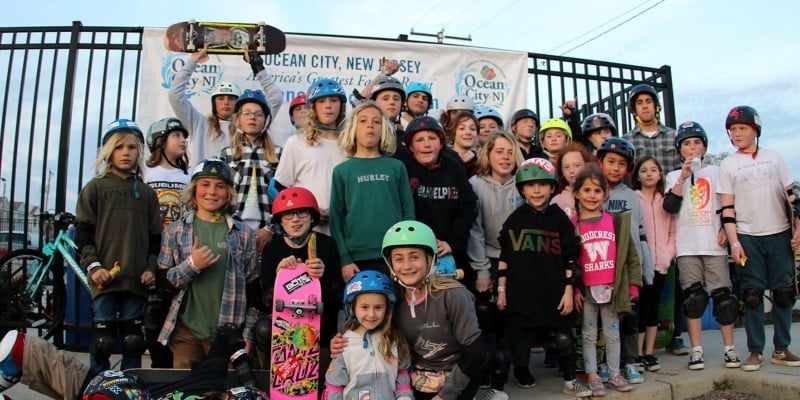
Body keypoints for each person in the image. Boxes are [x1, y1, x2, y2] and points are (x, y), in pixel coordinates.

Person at [495, 157, 592, 398]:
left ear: (552, 187)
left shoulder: (560, 219)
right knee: (515, 339)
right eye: (530, 185)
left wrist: (569, 291)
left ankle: (570, 380)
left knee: (563, 337)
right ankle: (513, 376)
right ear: (522, 189)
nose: (536, 190)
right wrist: (501, 291)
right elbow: (504, 257)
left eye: (542, 185)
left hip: (554, 292)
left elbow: (570, 259)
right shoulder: (515, 220)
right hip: (520, 293)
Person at [74, 119, 162, 372]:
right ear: (108, 152)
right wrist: (94, 266)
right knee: (103, 340)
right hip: (105, 278)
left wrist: (150, 267)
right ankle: (97, 389)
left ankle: (129, 387)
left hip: (135, 279)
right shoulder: (95, 188)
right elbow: (83, 234)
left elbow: (155, 237)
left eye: (132, 147)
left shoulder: (146, 193)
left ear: (139, 152)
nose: (126, 153)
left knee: (133, 341)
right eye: (119, 147)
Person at [156, 157, 260, 369]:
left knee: (226, 391)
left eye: (219, 186)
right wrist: (192, 264)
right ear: (194, 190)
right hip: (187, 332)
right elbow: (164, 282)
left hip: (229, 334)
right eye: (205, 185)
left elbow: (254, 292)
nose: (212, 191)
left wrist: (248, 334)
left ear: (229, 193)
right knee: (188, 391)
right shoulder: (175, 231)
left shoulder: (245, 235)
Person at [718, 106, 800, 371]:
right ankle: (755, 351)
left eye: (742, 128)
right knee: (752, 294)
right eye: (733, 130)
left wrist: (798, 229)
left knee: (784, 293)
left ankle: (782, 348)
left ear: (755, 129)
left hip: (779, 233)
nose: (737, 133)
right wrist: (735, 243)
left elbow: (793, 200)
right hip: (747, 235)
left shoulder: (773, 158)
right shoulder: (728, 165)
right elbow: (727, 210)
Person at [663, 121, 742, 371]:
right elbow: (670, 207)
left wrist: (725, 231)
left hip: (714, 244)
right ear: (680, 149)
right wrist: (683, 177)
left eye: (697, 142)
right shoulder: (674, 176)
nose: (692, 147)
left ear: (705, 146)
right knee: (693, 300)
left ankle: (730, 349)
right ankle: (696, 350)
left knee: (724, 299)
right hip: (687, 246)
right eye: (687, 143)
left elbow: (729, 204)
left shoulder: (718, 172)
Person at [0, 327, 266, 400]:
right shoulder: (208, 382)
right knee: (26, 352)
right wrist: (242, 361)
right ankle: (20, 355)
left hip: (101, 389)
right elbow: (225, 336)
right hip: (111, 389)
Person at [623, 84, 687, 357]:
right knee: (645, 289)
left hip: (669, 207)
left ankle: (676, 335)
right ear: (634, 109)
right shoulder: (628, 138)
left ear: (656, 106)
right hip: (642, 212)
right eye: (640, 103)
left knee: (678, 283)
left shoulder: (673, 136)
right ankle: (639, 347)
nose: (645, 106)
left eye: (649, 101)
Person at [258, 186, 343, 387]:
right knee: (262, 329)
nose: (295, 219)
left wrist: (322, 278)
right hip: (285, 332)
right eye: (287, 215)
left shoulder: (326, 245)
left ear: (312, 217)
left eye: (301, 213)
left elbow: (338, 297)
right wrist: (280, 278)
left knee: (316, 384)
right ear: (279, 220)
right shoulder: (272, 249)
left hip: (320, 329)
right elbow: (266, 302)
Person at [572, 165, 639, 396]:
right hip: (587, 290)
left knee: (613, 333)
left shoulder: (616, 222)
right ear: (577, 193)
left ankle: (614, 374)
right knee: (589, 335)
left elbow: (630, 256)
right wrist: (574, 290)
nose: (592, 195)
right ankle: (592, 376)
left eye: (597, 191)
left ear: (605, 194)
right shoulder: (574, 225)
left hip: (612, 288)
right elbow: (569, 263)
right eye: (587, 190)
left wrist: (632, 286)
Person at [330, 101, 415, 282]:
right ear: (353, 128)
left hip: (394, 253)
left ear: (384, 129)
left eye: (376, 121)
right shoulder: (342, 171)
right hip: (357, 258)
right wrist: (344, 259)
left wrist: (407, 250)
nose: (370, 125)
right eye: (363, 121)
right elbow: (336, 219)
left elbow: (408, 211)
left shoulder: (396, 167)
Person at [467, 131, 522, 398]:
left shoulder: (523, 183)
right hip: (488, 258)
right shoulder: (475, 185)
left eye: (510, 151)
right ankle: (485, 377)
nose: (505, 157)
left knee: (511, 323)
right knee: (486, 322)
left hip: (518, 262)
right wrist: (482, 269)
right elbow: (475, 230)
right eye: (499, 151)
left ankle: (504, 377)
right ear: (488, 155)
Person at [595, 136, 650, 384]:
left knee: (628, 314)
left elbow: (640, 233)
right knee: (603, 316)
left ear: (628, 169)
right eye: (610, 162)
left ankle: (630, 361)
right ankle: (607, 362)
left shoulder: (632, 197)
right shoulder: (593, 192)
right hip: (602, 264)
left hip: (627, 264)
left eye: (621, 164)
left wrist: (645, 266)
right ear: (599, 162)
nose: (615, 168)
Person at [168, 46, 283, 162]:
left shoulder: (248, 125)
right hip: (204, 179)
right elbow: (175, 96)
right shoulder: (199, 123)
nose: (226, 102)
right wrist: (193, 61)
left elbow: (276, 98)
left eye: (231, 98)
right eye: (221, 98)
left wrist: (257, 66)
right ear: (214, 102)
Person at [402, 115, 478, 288]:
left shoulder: (454, 166)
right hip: (412, 250)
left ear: (442, 143)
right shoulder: (402, 168)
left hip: (449, 250)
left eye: (432, 139)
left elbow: (468, 206)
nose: (427, 144)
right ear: (411, 147)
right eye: (419, 140)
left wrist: (452, 242)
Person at [143, 117, 193, 369]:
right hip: (154, 250)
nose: (183, 140)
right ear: (160, 141)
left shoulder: (189, 175)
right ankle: (158, 365)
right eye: (176, 135)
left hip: (181, 253)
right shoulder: (146, 173)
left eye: (184, 136)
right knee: (154, 311)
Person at [273, 78, 348, 235]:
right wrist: (308, 209)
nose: (328, 105)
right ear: (313, 107)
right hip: (309, 231)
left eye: (333, 100)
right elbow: (281, 187)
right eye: (321, 101)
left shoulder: (352, 145)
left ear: (341, 106)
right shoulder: (296, 142)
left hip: (345, 229)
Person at [324, 271, 413, 400]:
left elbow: (402, 378)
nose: (371, 314)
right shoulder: (343, 344)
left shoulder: (395, 339)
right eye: (364, 307)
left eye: (378, 307)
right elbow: (335, 386)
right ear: (353, 308)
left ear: (387, 309)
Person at [219, 89, 281, 253]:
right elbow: (222, 195)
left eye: (258, 114)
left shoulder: (279, 153)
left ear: (266, 120)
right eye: (246, 113)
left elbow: (283, 197)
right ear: (238, 119)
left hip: (268, 231)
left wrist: (270, 228)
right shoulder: (227, 154)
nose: (252, 117)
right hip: (234, 228)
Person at [632, 156, 676, 372]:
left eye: (653, 170)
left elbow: (672, 230)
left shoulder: (665, 200)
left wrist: (668, 253)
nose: (649, 174)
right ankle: (637, 353)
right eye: (644, 170)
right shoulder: (634, 198)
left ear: (660, 174)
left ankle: (649, 352)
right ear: (637, 175)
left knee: (654, 309)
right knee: (640, 307)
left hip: (660, 263)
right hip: (640, 263)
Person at [551, 143, 593, 219]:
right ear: (562, 172)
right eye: (566, 167)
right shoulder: (557, 201)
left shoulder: (597, 194)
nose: (571, 171)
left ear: (586, 165)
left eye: (577, 165)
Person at [446, 111, 480, 177]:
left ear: (477, 135)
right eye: (462, 128)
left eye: (472, 129)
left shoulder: (481, 163)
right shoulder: (443, 159)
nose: (468, 132)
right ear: (453, 133)